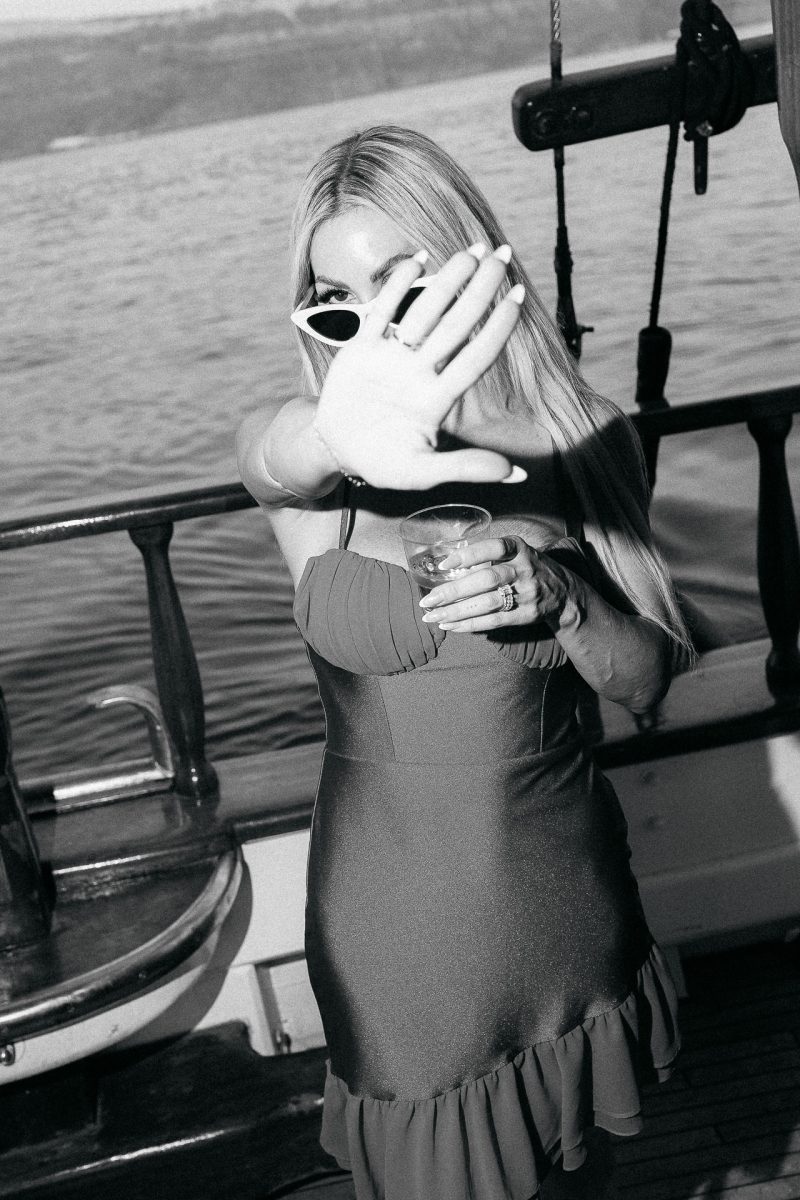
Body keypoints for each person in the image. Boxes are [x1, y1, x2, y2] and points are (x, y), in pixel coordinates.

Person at [237, 124, 691, 1200]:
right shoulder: (320, 463)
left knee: (579, 1170)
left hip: (561, 890)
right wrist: (335, 438)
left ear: (467, 260)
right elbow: (264, 451)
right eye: (334, 299)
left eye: (399, 278)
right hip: (393, 923)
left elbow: (644, 681)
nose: (372, 323)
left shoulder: (578, 434)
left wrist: (559, 594)